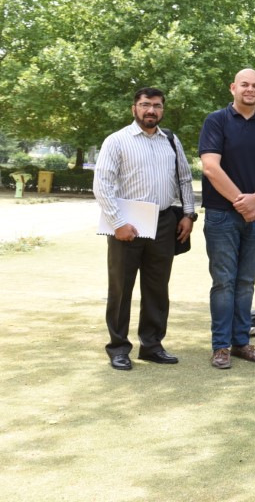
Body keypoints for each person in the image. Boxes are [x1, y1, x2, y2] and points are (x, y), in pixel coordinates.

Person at [94, 87, 196, 371]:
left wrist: (188, 214)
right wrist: (117, 223)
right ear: (134, 108)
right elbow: (102, 184)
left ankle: (151, 346)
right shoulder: (116, 141)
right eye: (145, 104)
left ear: (163, 110)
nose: (151, 110)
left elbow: (185, 179)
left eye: (157, 105)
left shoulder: (171, 141)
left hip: (163, 222)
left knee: (157, 288)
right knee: (121, 288)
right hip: (126, 224)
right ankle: (118, 348)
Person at [199, 68, 255, 370]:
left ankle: (241, 342)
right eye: (244, 84)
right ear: (233, 88)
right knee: (224, 282)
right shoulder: (216, 121)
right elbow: (211, 167)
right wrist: (242, 203)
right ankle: (221, 346)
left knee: (246, 282)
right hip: (221, 216)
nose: (250, 89)